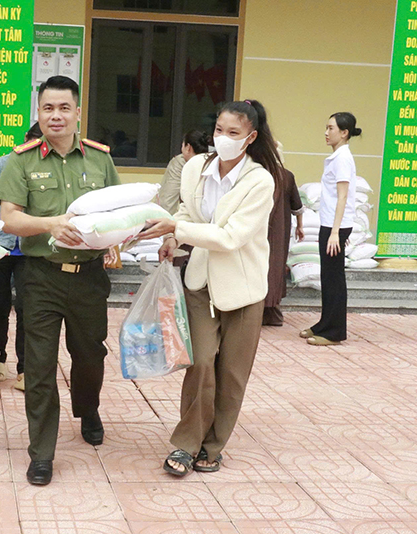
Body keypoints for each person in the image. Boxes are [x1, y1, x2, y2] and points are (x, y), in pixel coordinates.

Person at [138, 99, 282, 477]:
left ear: (250, 138)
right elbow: (188, 212)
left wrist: (177, 229)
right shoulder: (195, 168)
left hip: (243, 289)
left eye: (233, 133)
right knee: (201, 362)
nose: (223, 138)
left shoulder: (260, 181)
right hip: (200, 282)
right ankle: (186, 444)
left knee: (232, 373)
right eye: (219, 130)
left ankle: (213, 446)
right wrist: (173, 239)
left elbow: (231, 237)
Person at [0, 76, 122, 486]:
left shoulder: (100, 160)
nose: (56, 116)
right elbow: (9, 218)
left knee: (90, 356)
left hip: (89, 278)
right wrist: (51, 224)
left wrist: (115, 240)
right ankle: (42, 452)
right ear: (38, 112)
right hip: (40, 277)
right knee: (39, 365)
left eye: (64, 108)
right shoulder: (21, 160)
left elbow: (118, 211)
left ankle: (88, 408)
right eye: (48, 108)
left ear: (78, 113)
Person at [0, 122, 43, 391]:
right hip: (1, 245)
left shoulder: (47, 168)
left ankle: (24, 368)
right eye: (33, 142)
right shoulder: (1, 164)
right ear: (25, 138)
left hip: (31, 247)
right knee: (0, 304)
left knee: (26, 307)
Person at [300, 113, 360, 346]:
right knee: (328, 277)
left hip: (335, 227)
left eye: (331, 128)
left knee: (334, 279)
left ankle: (334, 332)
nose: (326, 133)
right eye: (326, 127)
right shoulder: (337, 156)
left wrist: (336, 232)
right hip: (330, 223)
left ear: (344, 133)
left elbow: (343, 196)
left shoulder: (342, 158)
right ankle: (324, 325)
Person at [264, 144, 305, 326]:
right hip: (279, 232)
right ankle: (272, 313)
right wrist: (300, 226)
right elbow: (297, 206)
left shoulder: (257, 174)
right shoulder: (287, 176)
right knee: (275, 267)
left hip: (258, 229)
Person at [159, 131, 210, 215]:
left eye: (182, 145)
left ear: (188, 148)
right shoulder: (215, 162)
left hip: (187, 217)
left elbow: (168, 198)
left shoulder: (180, 162)